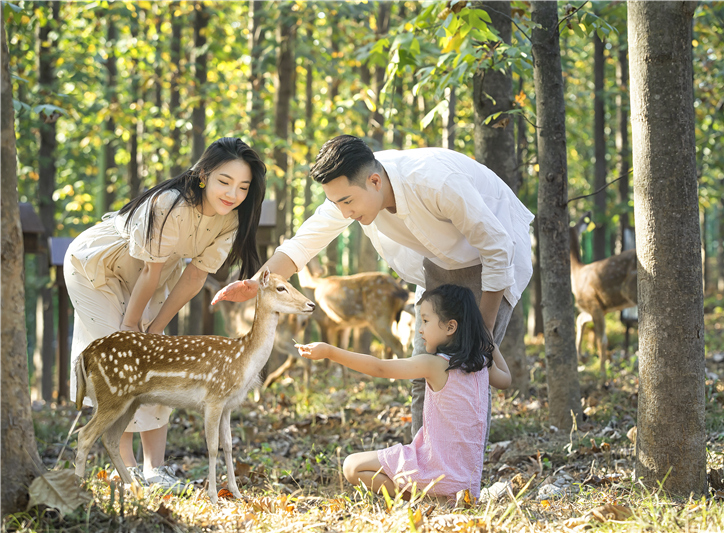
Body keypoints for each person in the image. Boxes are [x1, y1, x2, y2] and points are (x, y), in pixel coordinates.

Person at [211, 135, 534, 435]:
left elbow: (497, 248)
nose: (343, 212)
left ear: (375, 181)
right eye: (336, 203)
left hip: (488, 261)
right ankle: (424, 463)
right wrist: (255, 284)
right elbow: (303, 243)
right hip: (437, 265)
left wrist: (483, 330)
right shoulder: (352, 190)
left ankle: (463, 468)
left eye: (347, 201)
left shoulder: (435, 182)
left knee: (468, 373)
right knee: (421, 372)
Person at [66, 137, 266, 489]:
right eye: (224, 181)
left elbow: (195, 276)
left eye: (243, 187)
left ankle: (155, 470)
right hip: (99, 269)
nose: (233, 194)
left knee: (158, 359)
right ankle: (127, 470)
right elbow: (149, 270)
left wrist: (156, 328)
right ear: (203, 175)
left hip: (154, 275)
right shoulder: (170, 203)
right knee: (126, 362)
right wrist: (130, 327)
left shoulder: (230, 220)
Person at [296, 284, 511, 501]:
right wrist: (488, 339)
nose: (420, 329)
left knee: (352, 466)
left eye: (425, 321)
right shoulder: (482, 364)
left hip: (434, 470)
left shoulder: (435, 364)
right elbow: (506, 380)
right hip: (465, 485)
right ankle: (441, 499)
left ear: (450, 327)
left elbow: (379, 368)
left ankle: (428, 499)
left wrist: (330, 351)